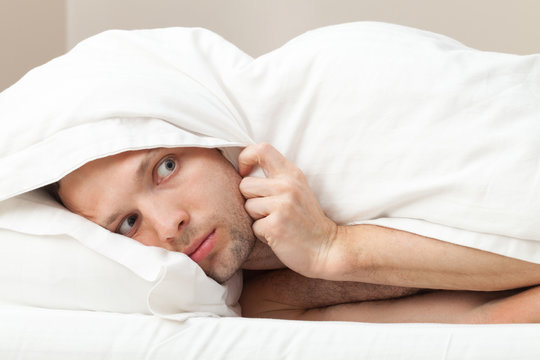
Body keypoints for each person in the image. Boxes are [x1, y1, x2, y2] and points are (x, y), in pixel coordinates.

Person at [52, 143, 540, 324]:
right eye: (128, 223)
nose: (168, 225)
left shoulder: (320, 142)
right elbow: (486, 321)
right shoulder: (271, 304)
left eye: (166, 167)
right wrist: (334, 253)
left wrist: (335, 243)